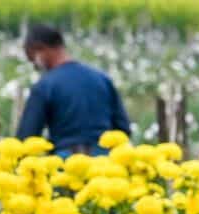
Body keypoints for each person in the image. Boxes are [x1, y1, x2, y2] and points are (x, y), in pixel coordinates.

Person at [16, 24, 130, 157]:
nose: (35, 65)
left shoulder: (45, 85)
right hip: (104, 161)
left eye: (32, 59)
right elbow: (123, 128)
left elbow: (27, 137)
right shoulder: (102, 79)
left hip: (66, 160)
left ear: (40, 49)